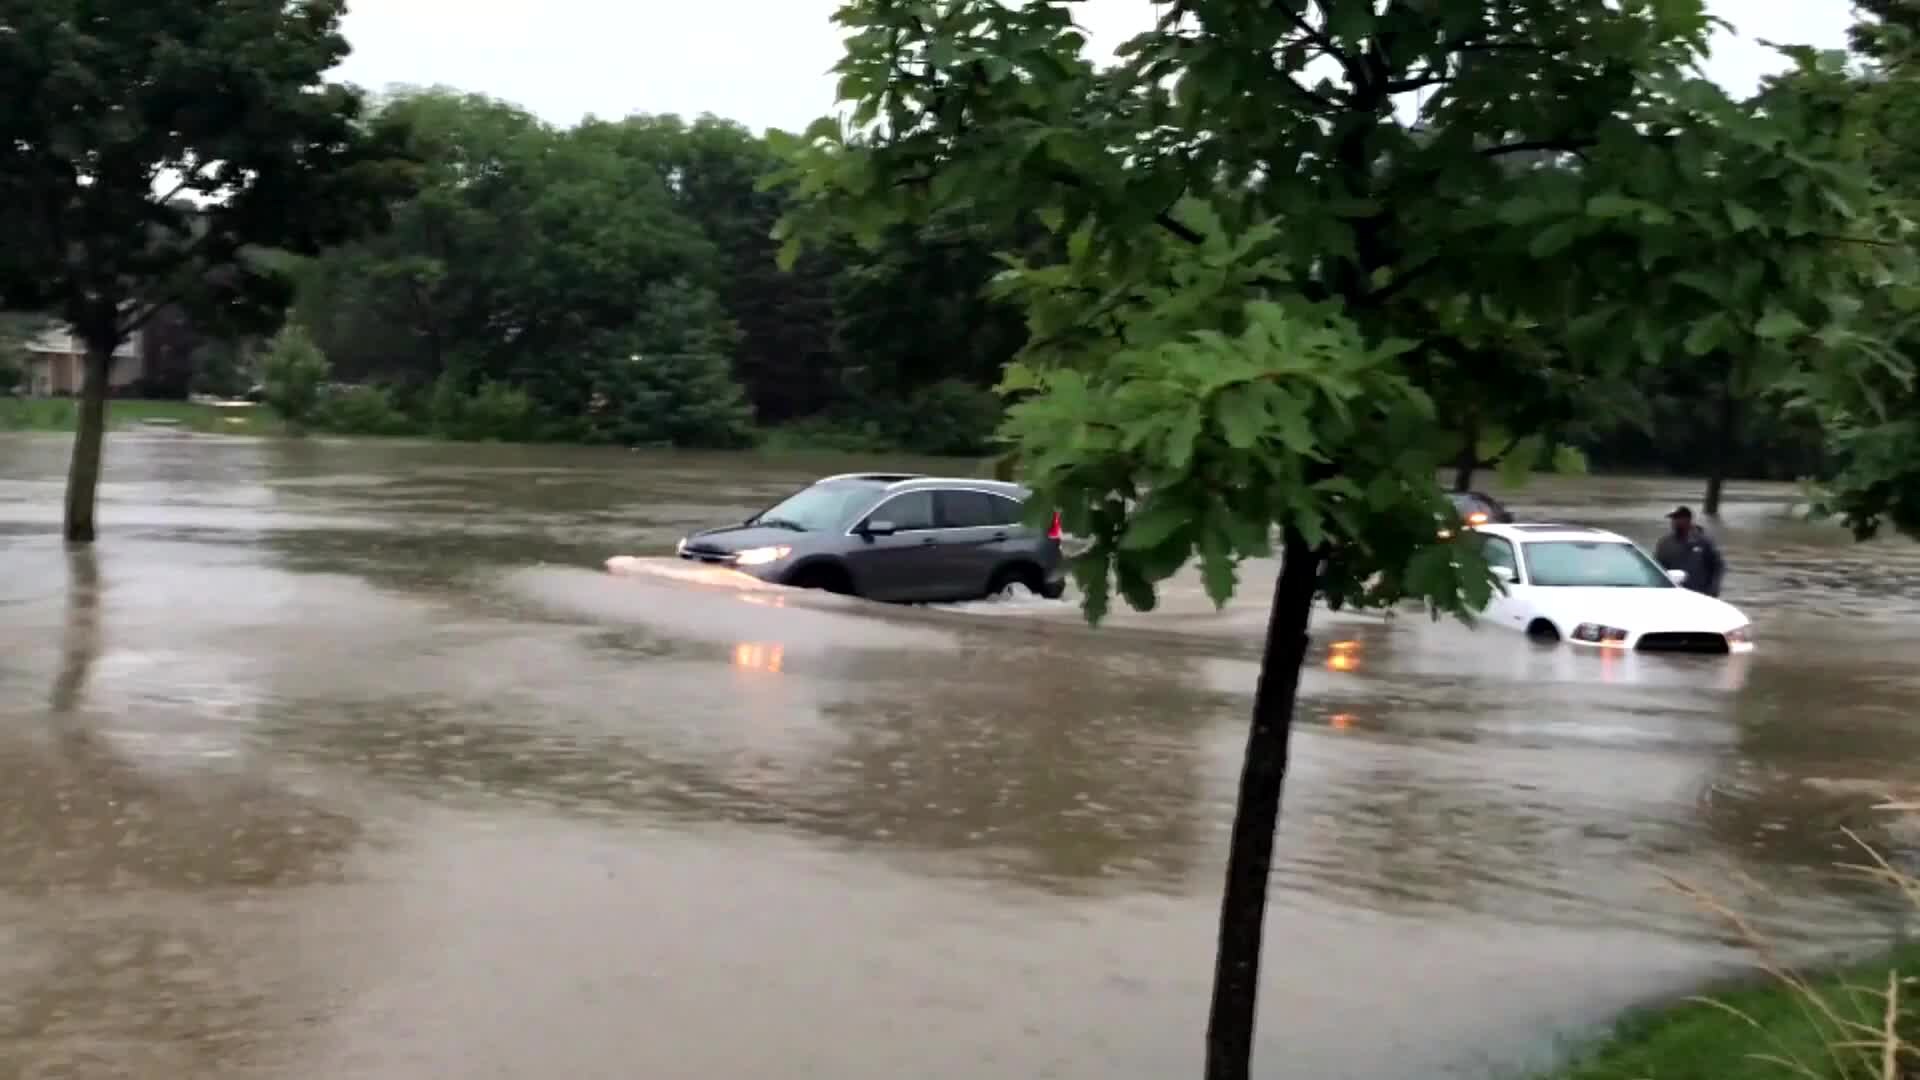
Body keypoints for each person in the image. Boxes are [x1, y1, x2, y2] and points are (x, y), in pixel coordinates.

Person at [1653, 506, 1725, 597]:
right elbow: (1656, 568)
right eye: (1673, 519)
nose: (1674, 522)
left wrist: (1714, 588)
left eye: (1678, 518)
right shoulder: (1665, 543)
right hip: (1674, 593)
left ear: (1688, 519)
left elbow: (1718, 566)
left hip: (1700, 593)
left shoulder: (1703, 541)